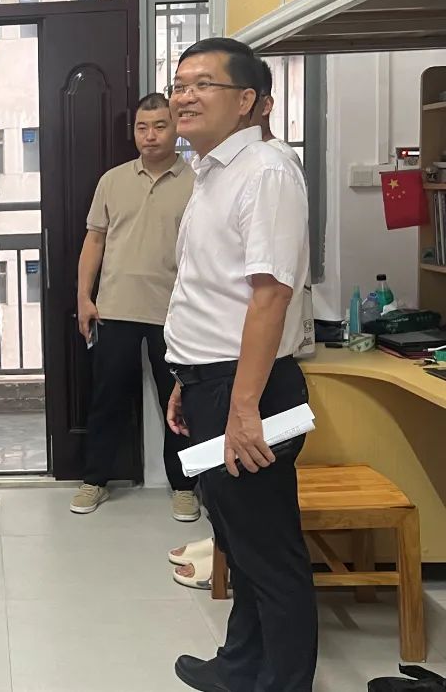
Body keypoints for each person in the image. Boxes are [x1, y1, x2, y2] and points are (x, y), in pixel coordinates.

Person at [164, 38, 315, 692]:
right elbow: (210, 290)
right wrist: (186, 378)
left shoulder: (266, 171)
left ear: (248, 100)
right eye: (179, 84)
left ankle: (282, 682)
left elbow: (270, 295)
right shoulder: (212, 172)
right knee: (238, 540)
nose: (185, 96)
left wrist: (243, 406)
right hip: (214, 382)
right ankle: (240, 666)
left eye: (204, 84)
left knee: (270, 551)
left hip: (249, 391)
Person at [71, 93, 198, 522]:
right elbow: (94, 240)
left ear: (176, 128)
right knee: (106, 399)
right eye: (142, 127)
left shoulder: (197, 182)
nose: (150, 135)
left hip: (176, 313)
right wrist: (84, 297)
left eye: (160, 126)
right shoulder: (112, 180)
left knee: (179, 403)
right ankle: (94, 481)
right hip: (115, 309)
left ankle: (185, 487)